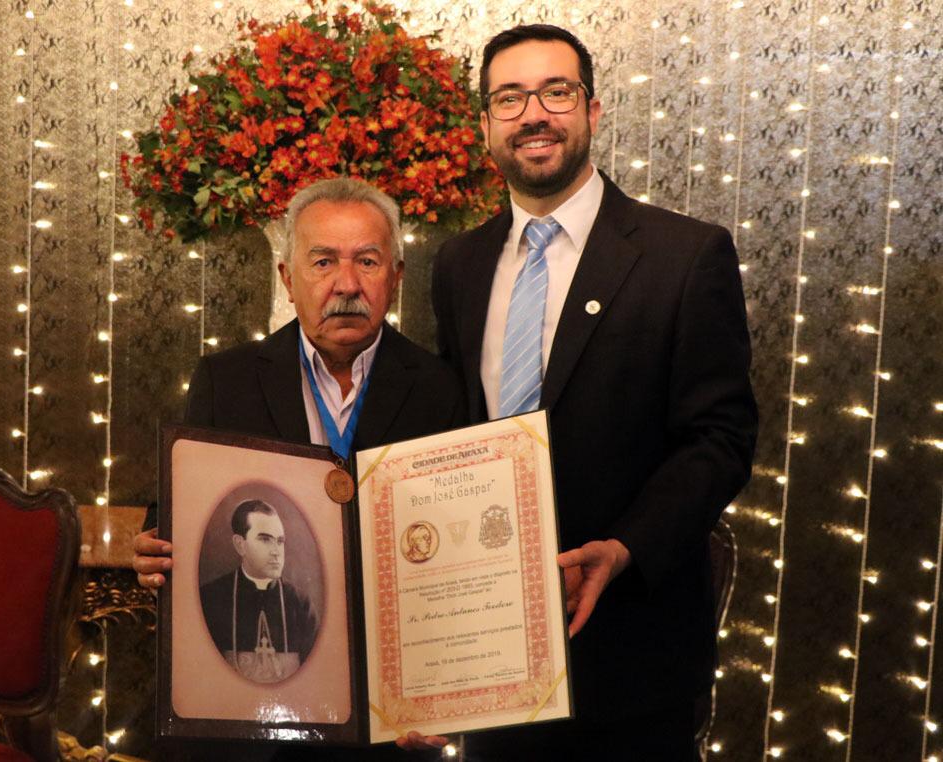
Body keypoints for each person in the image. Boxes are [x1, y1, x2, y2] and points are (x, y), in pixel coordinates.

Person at [412, 23, 758, 761]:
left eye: (555, 91)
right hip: (491, 656)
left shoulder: (685, 256)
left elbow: (720, 440)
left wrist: (626, 548)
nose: (533, 113)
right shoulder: (457, 265)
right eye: (509, 98)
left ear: (592, 112)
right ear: (485, 126)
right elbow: (450, 437)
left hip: (633, 660)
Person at [134, 177, 464, 761]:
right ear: (288, 278)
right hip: (250, 718)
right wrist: (156, 548)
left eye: (367, 261)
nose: (346, 284)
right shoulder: (225, 380)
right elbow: (180, 512)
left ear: (396, 276)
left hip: (385, 714)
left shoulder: (444, 389)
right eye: (322, 261)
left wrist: (444, 693)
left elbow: (456, 555)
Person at [199, 499, 317, 683]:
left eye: (280, 541)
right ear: (240, 544)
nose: (276, 552)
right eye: (265, 540)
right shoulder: (210, 598)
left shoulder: (300, 603)